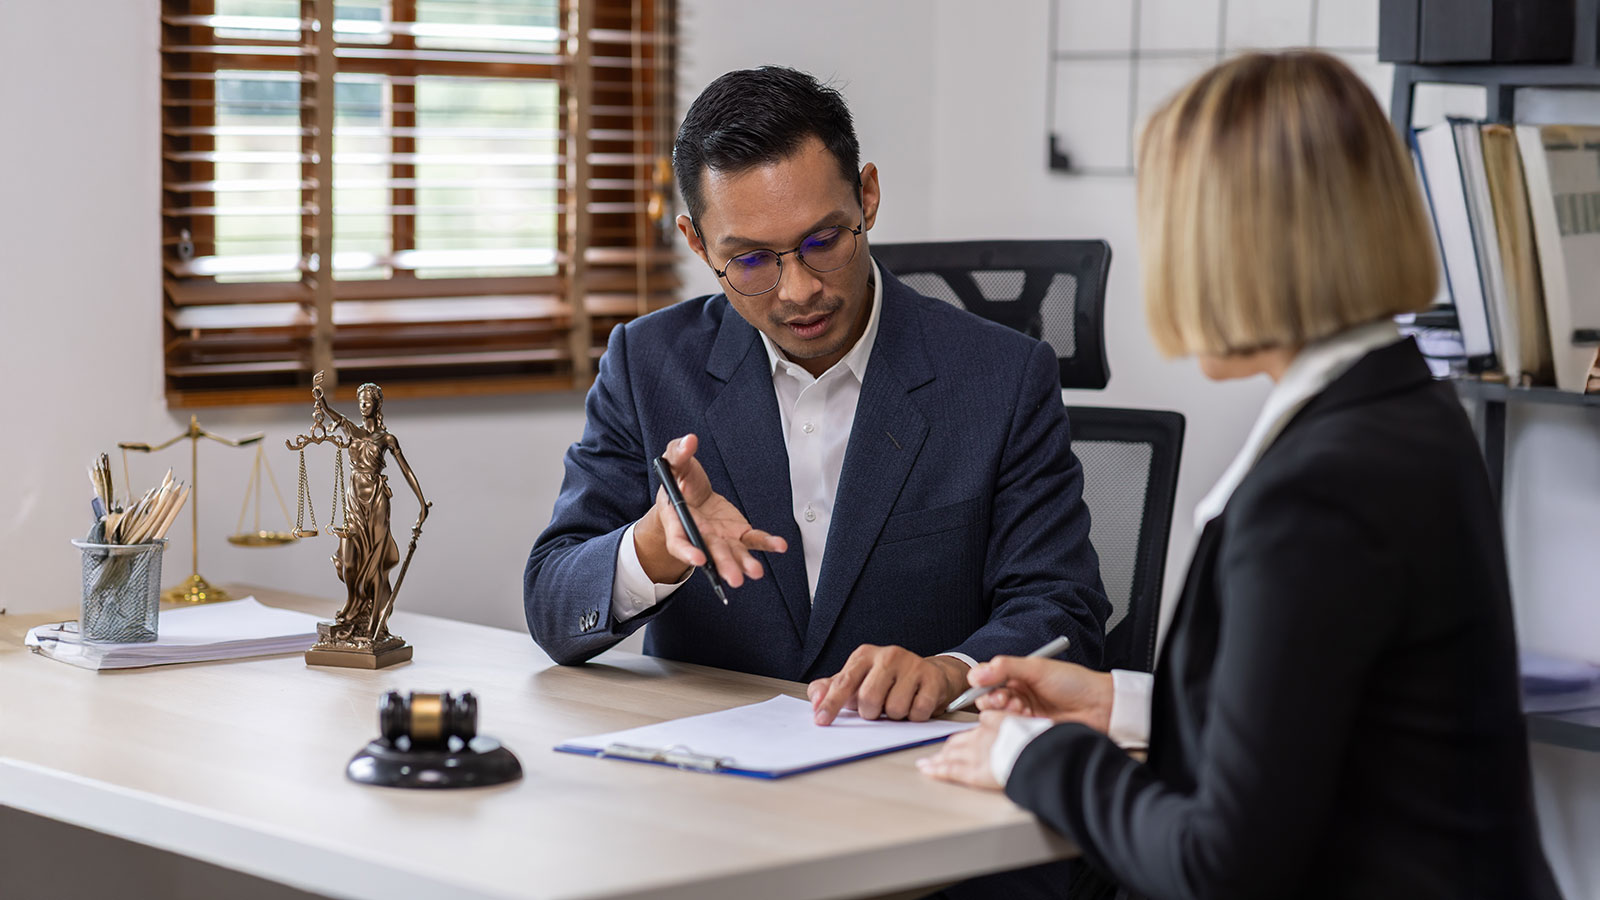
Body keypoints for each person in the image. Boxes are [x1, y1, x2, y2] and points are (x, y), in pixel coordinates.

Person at [919, 51, 1562, 899]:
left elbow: (1221, 865)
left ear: (1233, 249)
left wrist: (1038, 756)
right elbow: (1333, 708)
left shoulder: (1319, 490)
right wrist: (1123, 704)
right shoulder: (1404, 406)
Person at [523, 66, 1109, 723]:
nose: (799, 290)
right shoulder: (649, 365)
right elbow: (552, 603)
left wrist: (951, 673)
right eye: (750, 260)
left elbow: (1064, 610)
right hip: (711, 778)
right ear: (697, 242)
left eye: (823, 241)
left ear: (869, 196)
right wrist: (654, 545)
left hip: (915, 772)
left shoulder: (1002, 377)